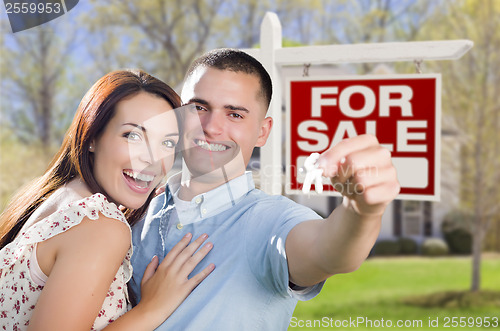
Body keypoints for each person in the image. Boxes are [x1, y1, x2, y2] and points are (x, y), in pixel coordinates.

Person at [129, 49, 400, 330]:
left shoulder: (270, 219)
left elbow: (326, 251)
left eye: (234, 114)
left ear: (262, 132)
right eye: (199, 107)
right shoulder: (139, 208)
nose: (211, 127)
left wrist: (362, 212)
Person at [0, 69, 215, 330]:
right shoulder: (99, 225)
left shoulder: (55, 198)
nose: (152, 158)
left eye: (168, 143)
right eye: (133, 136)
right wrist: (152, 308)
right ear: (91, 137)